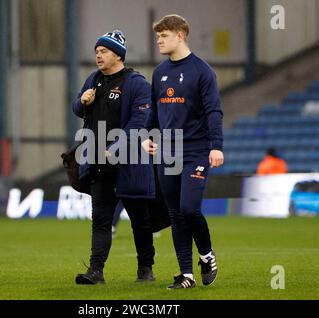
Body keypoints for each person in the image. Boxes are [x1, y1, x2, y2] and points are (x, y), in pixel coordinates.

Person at [142, 14, 224, 289]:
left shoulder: (202, 71)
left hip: (196, 151)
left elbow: (214, 111)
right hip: (166, 151)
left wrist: (216, 146)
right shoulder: (159, 72)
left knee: (189, 209)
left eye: (163, 36)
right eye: (157, 37)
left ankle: (207, 255)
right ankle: (186, 274)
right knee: (175, 214)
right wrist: (147, 136)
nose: (159, 41)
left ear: (180, 35)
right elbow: (155, 110)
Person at [72, 30, 158, 285]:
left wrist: (116, 146)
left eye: (104, 52)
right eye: (97, 52)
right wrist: (82, 102)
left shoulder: (137, 83)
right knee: (100, 219)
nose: (98, 56)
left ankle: (145, 269)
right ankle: (95, 271)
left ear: (118, 55)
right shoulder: (93, 79)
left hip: (129, 162)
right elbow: (77, 108)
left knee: (140, 220)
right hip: (99, 161)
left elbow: (139, 121)